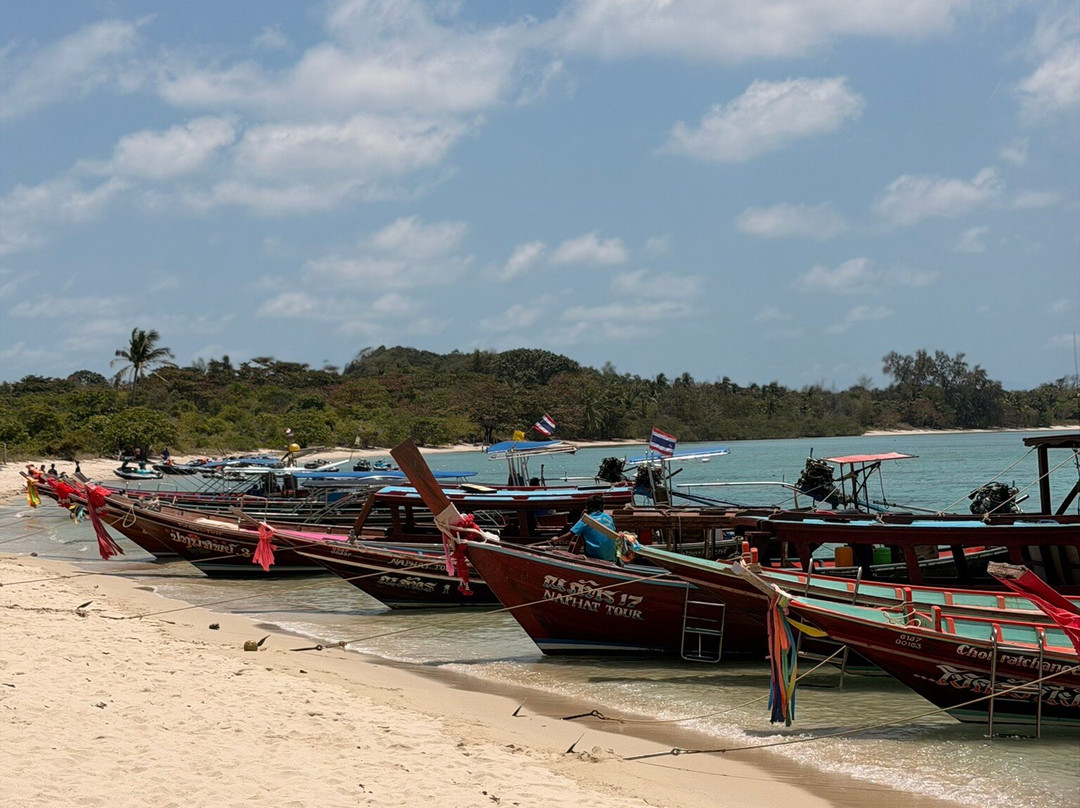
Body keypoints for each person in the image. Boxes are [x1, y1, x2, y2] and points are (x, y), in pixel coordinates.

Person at [555, 494, 617, 562]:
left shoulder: (586, 520)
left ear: (587, 507)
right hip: (611, 556)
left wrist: (556, 540)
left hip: (597, 556)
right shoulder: (608, 517)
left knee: (582, 532)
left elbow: (570, 535)